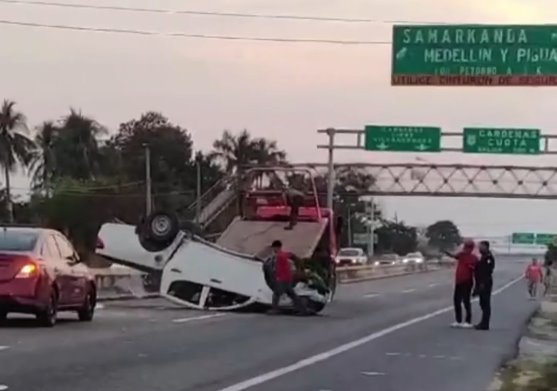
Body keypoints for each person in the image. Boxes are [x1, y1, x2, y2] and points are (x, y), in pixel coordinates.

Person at [445, 239, 478, 328]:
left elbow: (476, 269)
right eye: (465, 247)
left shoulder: (474, 258)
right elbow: (454, 256)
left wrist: (471, 267)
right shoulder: (461, 255)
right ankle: (458, 320)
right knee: (456, 300)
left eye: (468, 247)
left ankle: (468, 321)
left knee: (466, 301)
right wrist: (446, 252)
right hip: (459, 280)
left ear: (471, 248)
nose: (466, 249)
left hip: (467, 281)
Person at [268, 240, 307, 315]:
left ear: (277, 247)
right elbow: (292, 255)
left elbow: (278, 268)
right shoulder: (283, 254)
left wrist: (276, 276)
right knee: (292, 294)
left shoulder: (279, 255)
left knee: (276, 294)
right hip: (287, 278)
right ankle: (302, 310)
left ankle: (274, 309)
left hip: (283, 278)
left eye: (274, 248)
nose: (273, 250)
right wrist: (299, 261)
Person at [474, 240, 495, 330]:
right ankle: (483, 322)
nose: (479, 248)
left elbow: (487, 272)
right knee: (482, 303)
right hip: (481, 283)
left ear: (486, 247)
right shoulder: (483, 257)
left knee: (486, 304)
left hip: (485, 283)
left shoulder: (488, 258)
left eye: (481, 246)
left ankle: (485, 324)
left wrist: (482, 284)